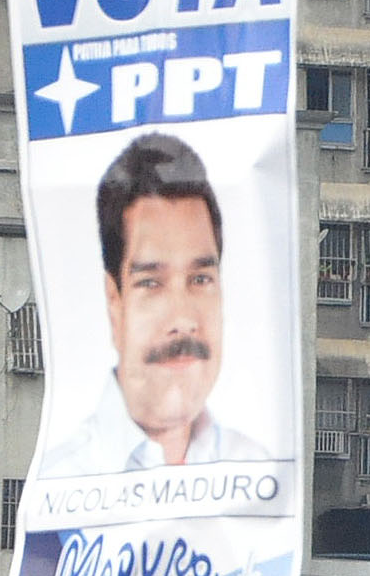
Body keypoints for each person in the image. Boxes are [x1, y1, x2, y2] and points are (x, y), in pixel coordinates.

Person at [41, 132, 268, 473]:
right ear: (113, 301)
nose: (183, 319)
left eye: (200, 279)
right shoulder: (63, 479)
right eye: (151, 283)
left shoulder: (258, 473)